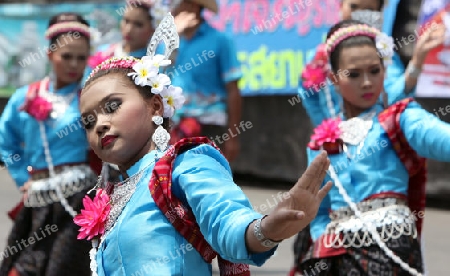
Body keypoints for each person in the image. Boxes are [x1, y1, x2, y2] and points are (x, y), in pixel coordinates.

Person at [75, 14, 333, 276]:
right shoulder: (110, 197)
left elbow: (226, 220)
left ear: (154, 105)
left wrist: (265, 229)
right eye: (88, 121)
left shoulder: (182, 165)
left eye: (112, 106)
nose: (100, 124)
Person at [298, 20, 450, 275]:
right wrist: (323, 239)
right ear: (334, 79)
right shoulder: (321, 142)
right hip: (336, 255)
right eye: (354, 74)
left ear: (384, 70)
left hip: (390, 250)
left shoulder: (399, 119)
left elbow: (442, 140)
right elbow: (318, 210)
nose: (367, 82)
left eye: (374, 71)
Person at [0, 13, 97, 276]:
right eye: (67, 56)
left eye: (81, 57)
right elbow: (6, 143)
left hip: (79, 196)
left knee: (62, 266)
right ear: (50, 54)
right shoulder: (26, 97)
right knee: (24, 267)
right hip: (38, 197)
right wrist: (22, 179)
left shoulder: (91, 96)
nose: (74, 64)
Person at [299, 0, 445, 127]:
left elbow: (394, 97)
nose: (358, 15)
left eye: (368, 10)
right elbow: (308, 94)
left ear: (379, 13)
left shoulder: (383, 53)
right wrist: (327, 130)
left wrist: (417, 62)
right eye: (354, 6)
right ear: (340, 5)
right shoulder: (318, 58)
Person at [167, 0, 242, 162]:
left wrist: (232, 137)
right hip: (174, 126)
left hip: (210, 126)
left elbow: (233, 90)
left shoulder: (220, 41)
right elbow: (157, 78)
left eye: (175, 4)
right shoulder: (169, 43)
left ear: (192, 7)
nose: (171, 9)